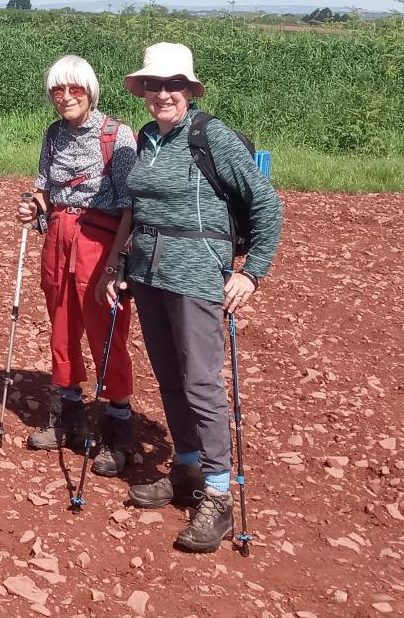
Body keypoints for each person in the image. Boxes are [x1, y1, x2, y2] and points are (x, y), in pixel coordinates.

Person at [106, 42, 283, 553]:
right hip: (149, 276)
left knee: (202, 383)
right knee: (169, 378)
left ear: (189, 90)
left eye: (172, 85)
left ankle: (219, 492)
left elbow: (267, 205)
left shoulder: (211, 137)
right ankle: (185, 467)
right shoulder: (146, 138)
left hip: (200, 278)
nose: (163, 94)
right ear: (142, 91)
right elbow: (137, 209)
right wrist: (121, 265)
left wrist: (253, 275)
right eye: (153, 85)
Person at [15, 55, 138, 475]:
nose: (65, 97)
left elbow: (130, 208)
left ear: (90, 91)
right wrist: (34, 205)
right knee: (62, 328)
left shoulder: (117, 136)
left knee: (108, 334)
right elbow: (46, 190)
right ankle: (68, 419)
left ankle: (118, 430)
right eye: (57, 91)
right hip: (59, 241)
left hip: (100, 244)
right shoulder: (53, 134)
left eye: (75, 89)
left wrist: (116, 264)